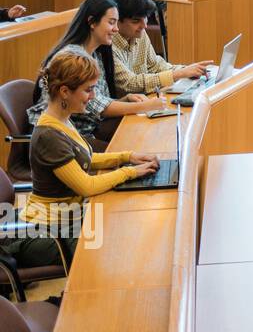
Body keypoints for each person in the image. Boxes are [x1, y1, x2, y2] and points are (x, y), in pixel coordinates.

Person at [19, 49, 158, 262]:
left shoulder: (63, 119)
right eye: (88, 90)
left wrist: (128, 157)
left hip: (67, 220)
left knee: (125, 228)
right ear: (65, 91)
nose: (93, 96)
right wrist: (130, 172)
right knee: (118, 245)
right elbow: (87, 186)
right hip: (47, 232)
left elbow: (86, 159)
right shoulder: (49, 135)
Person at [27, 0, 169, 142]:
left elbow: (97, 100)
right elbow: (97, 107)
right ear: (92, 22)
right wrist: (147, 106)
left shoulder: (96, 53)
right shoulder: (73, 57)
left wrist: (126, 99)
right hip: (63, 138)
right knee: (137, 141)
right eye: (111, 23)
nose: (116, 29)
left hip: (85, 131)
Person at [107, 0, 212, 95]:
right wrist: (179, 74)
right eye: (136, 21)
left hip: (145, 99)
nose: (145, 25)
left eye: (145, 18)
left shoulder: (140, 34)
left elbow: (155, 66)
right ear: (116, 21)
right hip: (125, 107)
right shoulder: (108, 44)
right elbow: (129, 83)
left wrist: (188, 70)